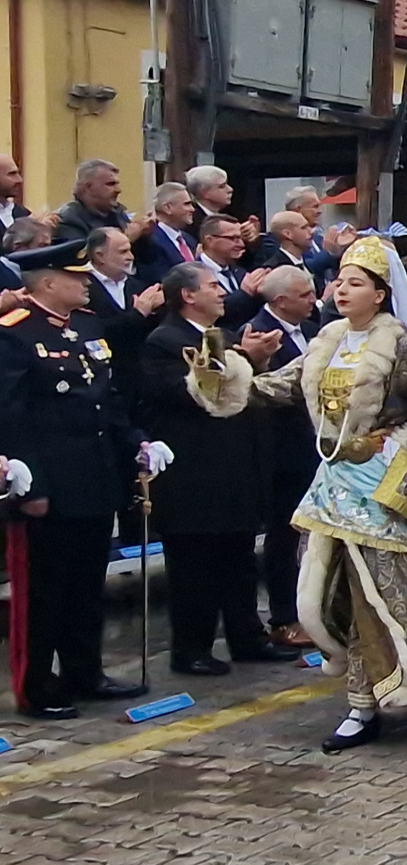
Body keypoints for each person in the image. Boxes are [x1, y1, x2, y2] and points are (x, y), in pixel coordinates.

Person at [188, 236, 407, 752]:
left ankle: (375, 698)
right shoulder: (327, 341)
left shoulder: (401, 346)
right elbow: (274, 389)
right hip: (333, 485)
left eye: (355, 283)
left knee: (381, 596)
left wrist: (400, 454)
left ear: (381, 294)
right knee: (329, 596)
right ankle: (376, 693)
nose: (341, 289)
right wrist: (222, 372)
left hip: (382, 489)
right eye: (339, 280)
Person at [0, 239, 155, 717]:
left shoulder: (87, 327)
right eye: (77, 277)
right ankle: (36, 685)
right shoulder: (15, 334)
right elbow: (11, 415)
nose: (87, 284)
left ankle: (84, 672)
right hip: (47, 482)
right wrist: (33, 486)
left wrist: (138, 443)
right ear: (47, 283)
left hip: (94, 475)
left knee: (86, 588)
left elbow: (105, 400)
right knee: (43, 592)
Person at [137, 263, 301, 674]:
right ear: (188, 295)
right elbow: (196, 394)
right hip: (196, 476)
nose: (222, 292)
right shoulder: (166, 341)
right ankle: (191, 648)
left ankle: (247, 637)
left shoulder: (223, 336)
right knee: (195, 568)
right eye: (213, 286)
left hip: (236, 471)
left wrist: (251, 359)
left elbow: (246, 392)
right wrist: (246, 356)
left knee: (239, 561)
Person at [237, 265, 324, 646]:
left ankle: (317, 611)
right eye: (305, 294)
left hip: (314, 445)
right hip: (279, 449)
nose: (313, 299)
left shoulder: (310, 331)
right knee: (283, 537)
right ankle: (283, 616)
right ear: (280, 300)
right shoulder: (257, 333)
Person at [82, 226, 165, 395]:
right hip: (102, 381)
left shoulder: (138, 286)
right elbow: (97, 330)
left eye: (130, 250)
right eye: (123, 252)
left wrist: (159, 309)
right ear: (100, 255)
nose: (131, 257)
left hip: (137, 381)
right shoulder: (82, 287)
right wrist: (138, 314)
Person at [51, 159, 146, 244]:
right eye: (110, 184)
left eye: (117, 184)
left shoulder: (117, 213)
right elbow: (81, 257)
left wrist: (145, 234)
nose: (118, 190)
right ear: (89, 187)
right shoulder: (69, 219)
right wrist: (125, 239)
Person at [133, 182, 201, 286]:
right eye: (186, 204)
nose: (192, 209)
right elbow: (160, 280)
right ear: (167, 208)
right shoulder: (150, 242)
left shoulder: (189, 239)